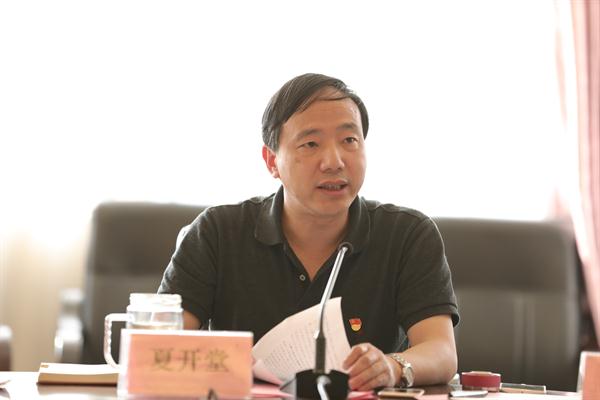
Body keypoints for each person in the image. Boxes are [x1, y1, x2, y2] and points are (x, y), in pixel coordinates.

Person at [159, 73, 459, 391]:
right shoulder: (217, 232)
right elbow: (161, 347)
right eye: (311, 144)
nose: (334, 161)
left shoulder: (408, 234)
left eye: (349, 140)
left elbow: (441, 350)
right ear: (272, 161)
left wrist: (393, 366)